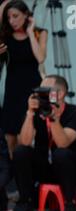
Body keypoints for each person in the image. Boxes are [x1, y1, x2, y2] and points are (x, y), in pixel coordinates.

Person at [9, 75, 76, 211]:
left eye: (46, 91)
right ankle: (24, 200)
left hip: (71, 169)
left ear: (61, 93)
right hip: (45, 166)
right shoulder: (37, 112)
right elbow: (24, 141)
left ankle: (70, 204)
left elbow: (63, 143)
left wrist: (53, 119)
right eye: (40, 91)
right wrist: (30, 114)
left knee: (61, 154)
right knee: (20, 151)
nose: (41, 95)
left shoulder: (75, 113)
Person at [0, 0, 48, 158]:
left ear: (26, 15)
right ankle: (14, 173)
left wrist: (30, 32)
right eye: (9, 17)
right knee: (10, 136)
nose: (12, 21)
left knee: (25, 135)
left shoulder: (40, 33)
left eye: (15, 16)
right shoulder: (6, 36)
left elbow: (40, 58)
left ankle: (26, 171)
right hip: (12, 88)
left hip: (32, 88)